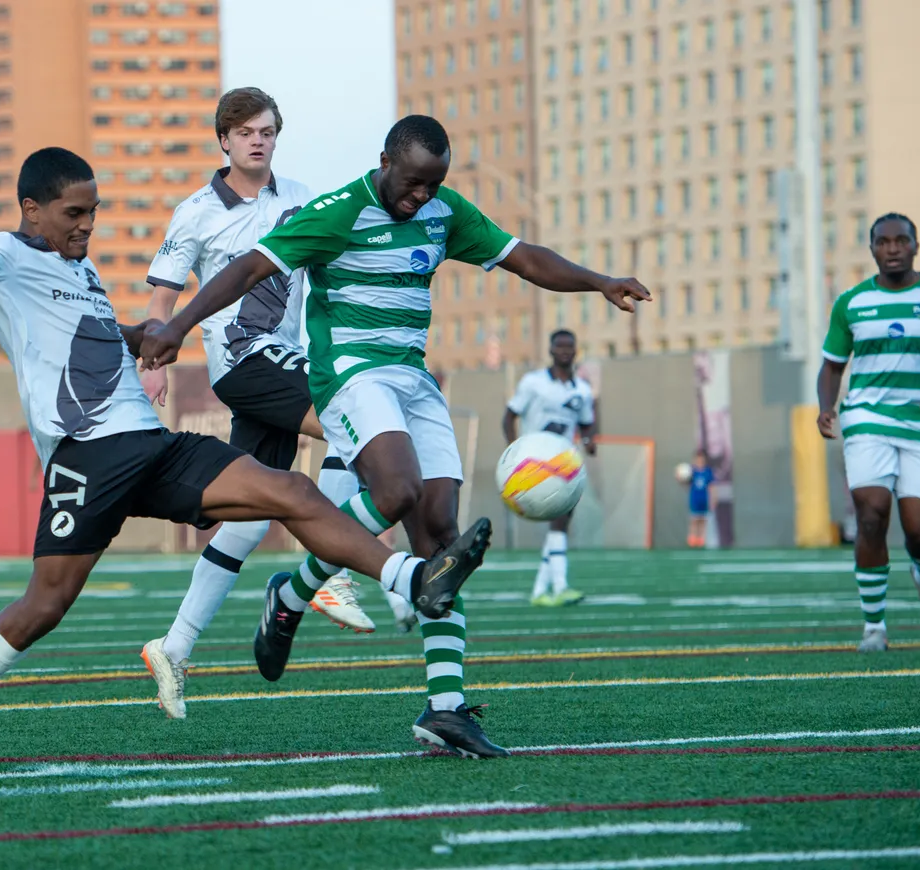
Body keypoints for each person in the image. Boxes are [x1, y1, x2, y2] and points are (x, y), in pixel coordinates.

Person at [0, 147, 492, 778]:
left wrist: (145, 337)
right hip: (87, 458)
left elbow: (91, 335)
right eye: (74, 213)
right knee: (44, 606)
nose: (86, 226)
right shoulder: (6, 258)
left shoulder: (83, 271)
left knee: (288, 489)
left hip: (153, 445)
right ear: (31, 210)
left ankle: (411, 578)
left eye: (92, 213)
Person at [140, 115, 650, 757]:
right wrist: (179, 324)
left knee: (440, 536)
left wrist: (599, 280)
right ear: (385, 161)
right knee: (397, 488)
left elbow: (523, 258)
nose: (421, 198)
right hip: (351, 376)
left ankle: (442, 707)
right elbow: (246, 270)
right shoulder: (338, 210)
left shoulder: (444, 211)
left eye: (433, 185)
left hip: (412, 380)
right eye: (411, 184)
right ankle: (298, 590)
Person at [138, 88, 375, 719]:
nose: (257, 140)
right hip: (243, 359)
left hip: (283, 356)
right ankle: (332, 566)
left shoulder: (302, 197)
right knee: (351, 420)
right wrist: (152, 364)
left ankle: (174, 647)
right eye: (244, 131)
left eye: (267, 130)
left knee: (246, 517)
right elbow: (162, 295)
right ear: (223, 140)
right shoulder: (194, 213)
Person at [817, 212, 920, 653]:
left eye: (900, 240)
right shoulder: (850, 303)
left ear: (915, 246)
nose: (892, 248)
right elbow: (831, 367)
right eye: (882, 242)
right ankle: (874, 628)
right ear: (871, 249)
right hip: (866, 417)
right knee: (870, 515)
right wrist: (826, 407)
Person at [502, 329, 596, 606]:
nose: (565, 351)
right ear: (551, 350)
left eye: (570, 346)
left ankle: (542, 591)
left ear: (576, 350)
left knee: (561, 521)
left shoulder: (582, 389)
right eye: (560, 346)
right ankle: (559, 586)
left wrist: (590, 440)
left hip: (565, 462)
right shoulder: (533, 383)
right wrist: (515, 452)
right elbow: (508, 417)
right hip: (535, 464)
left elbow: (587, 422)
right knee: (559, 522)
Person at [683, 449, 714, 548]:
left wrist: (713, 499)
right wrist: (681, 479)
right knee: (694, 519)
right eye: (698, 459)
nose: (700, 461)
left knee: (703, 520)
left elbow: (711, 487)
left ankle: (701, 539)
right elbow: (686, 484)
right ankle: (692, 538)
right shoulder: (692, 471)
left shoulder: (708, 472)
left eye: (702, 459)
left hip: (704, 499)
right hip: (695, 499)